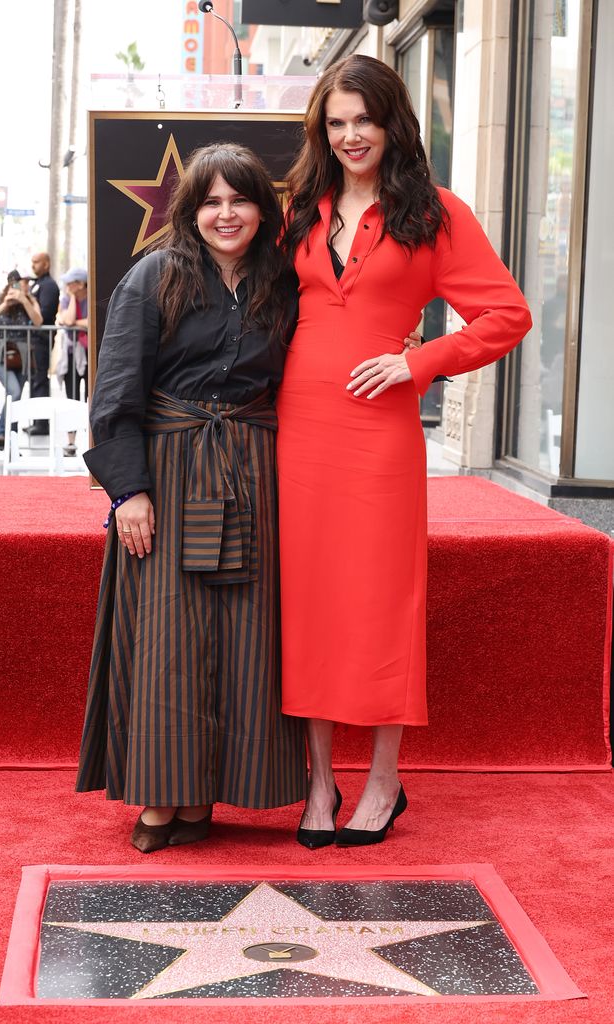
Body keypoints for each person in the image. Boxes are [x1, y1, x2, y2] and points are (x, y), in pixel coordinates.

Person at [277, 54, 533, 848]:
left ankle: (383, 782)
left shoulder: (435, 214)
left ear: (393, 122)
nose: (352, 135)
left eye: (365, 119)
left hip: (379, 440)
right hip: (296, 431)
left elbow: (507, 315)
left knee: (383, 603)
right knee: (307, 604)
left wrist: (417, 361)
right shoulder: (301, 210)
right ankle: (319, 783)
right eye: (337, 121)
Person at [76, 143, 307, 852]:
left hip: (250, 471)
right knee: (169, 640)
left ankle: (211, 790)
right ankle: (162, 793)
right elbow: (115, 391)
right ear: (190, 209)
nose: (226, 213)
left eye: (240, 199)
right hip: (170, 472)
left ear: (263, 211)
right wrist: (129, 493)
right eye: (211, 200)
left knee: (243, 638)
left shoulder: (281, 281)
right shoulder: (156, 276)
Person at [0, 271, 43, 449]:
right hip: (1, 353)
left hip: (22, 356)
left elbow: (38, 321)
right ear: (10, 283)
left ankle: (10, 443)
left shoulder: (30, 300)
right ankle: (1, 433)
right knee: (13, 392)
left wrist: (24, 300)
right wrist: (5, 305)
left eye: (27, 282)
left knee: (14, 396)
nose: (25, 285)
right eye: (23, 282)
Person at [26, 252, 60, 436]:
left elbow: (45, 314)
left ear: (46, 264)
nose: (33, 265)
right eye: (32, 261)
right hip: (33, 340)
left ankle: (42, 423)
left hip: (41, 340)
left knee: (39, 380)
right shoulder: (37, 284)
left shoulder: (49, 286)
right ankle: (36, 420)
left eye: (36, 261)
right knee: (34, 381)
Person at [56, 267, 89, 455]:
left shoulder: (92, 296)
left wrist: (75, 323)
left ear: (81, 283)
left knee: (90, 397)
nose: (68, 286)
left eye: (72, 283)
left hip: (88, 352)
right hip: (71, 354)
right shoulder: (67, 299)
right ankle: (71, 442)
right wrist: (74, 299)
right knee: (72, 396)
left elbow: (90, 322)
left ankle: (92, 440)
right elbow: (66, 320)